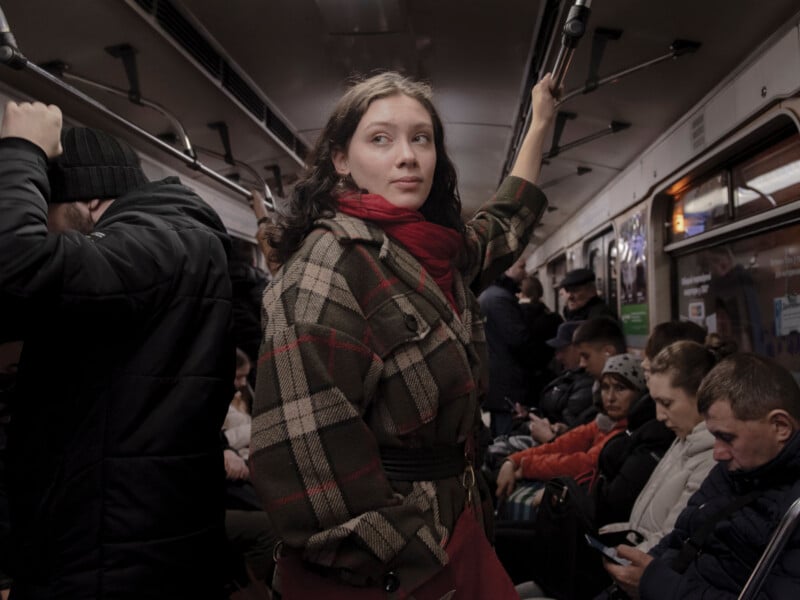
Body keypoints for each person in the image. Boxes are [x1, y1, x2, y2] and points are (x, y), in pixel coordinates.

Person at [249, 71, 557, 598]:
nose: (409, 156)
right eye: (381, 139)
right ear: (342, 161)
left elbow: (504, 225)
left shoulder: (433, 252)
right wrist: (416, 565)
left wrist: (541, 122)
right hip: (396, 564)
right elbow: (308, 464)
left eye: (422, 138)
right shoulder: (327, 272)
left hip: (456, 522)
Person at [0, 104, 233, 598]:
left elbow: (16, 269)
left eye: (50, 220)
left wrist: (21, 151)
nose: (49, 236)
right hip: (137, 541)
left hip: (110, 555)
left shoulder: (149, 245)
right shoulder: (175, 243)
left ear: (89, 202)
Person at [604, 354, 800, 599]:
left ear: (780, 426)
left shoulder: (792, 507)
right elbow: (681, 537)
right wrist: (639, 567)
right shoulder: (733, 471)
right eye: (714, 436)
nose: (717, 453)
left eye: (727, 437)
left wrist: (656, 584)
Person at [598, 339, 720, 552]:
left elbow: (674, 538)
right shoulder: (683, 438)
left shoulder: (713, 457)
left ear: (702, 396)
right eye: (655, 402)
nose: (659, 415)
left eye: (667, 403)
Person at [496, 354, 647, 504]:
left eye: (620, 388)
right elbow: (560, 445)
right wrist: (512, 461)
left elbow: (584, 464)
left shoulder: (627, 432)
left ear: (639, 392)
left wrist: (525, 467)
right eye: (605, 387)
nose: (610, 397)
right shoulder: (603, 423)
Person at [479, 260, 532, 436]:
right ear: (507, 268)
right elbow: (518, 340)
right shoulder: (500, 299)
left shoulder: (489, 296)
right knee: (508, 435)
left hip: (496, 382)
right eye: (521, 267)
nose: (525, 273)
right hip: (508, 383)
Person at [517, 274, 563, 405]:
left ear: (521, 293)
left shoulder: (515, 316)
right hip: (548, 374)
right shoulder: (552, 317)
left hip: (523, 378)